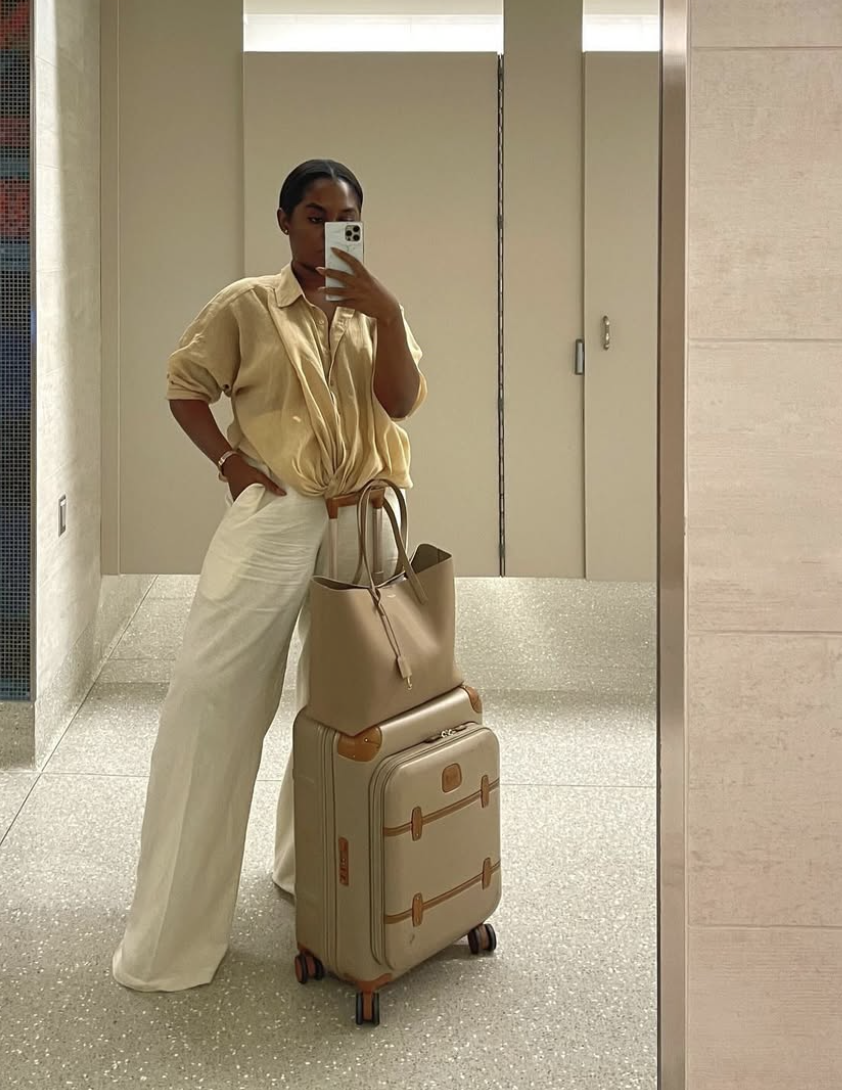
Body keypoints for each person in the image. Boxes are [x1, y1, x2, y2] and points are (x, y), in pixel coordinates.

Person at [112, 159, 427, 992]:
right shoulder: (246, 306)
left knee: (350, 710)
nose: (330, 232)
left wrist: (387, 314)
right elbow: (185, 387)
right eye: (315, 216)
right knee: (211, 707)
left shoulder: (373, 310)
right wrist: (229, 463)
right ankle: (168, 944)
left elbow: (400, 403)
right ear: (285, 221)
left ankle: (314, 872)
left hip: (366, 523)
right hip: (278, 518)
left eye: (346, 217)